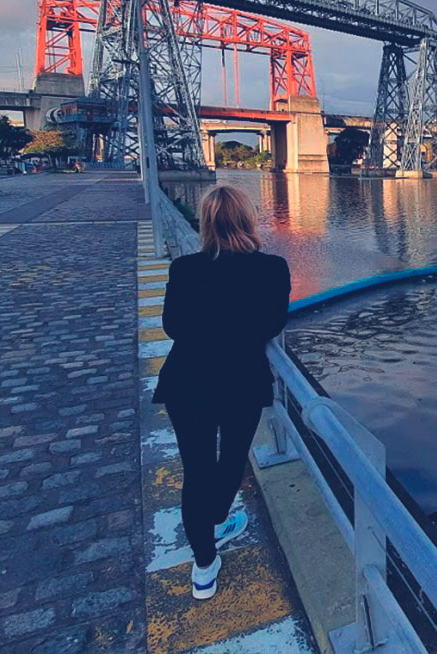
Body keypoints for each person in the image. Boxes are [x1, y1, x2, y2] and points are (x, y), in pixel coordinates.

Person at [152, 185, 291, 599]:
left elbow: (173, 327)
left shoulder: (184, 269)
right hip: (241, 382)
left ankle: (204, 567)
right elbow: (270, 326)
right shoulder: (273, 268)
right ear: (248, 220)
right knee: (231, 460)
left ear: (206, 223)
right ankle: (216, 520)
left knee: (195, 471)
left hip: (186, 382)